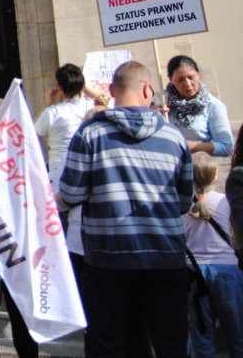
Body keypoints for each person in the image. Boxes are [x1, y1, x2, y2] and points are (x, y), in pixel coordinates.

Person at [59, 61, 193, 357]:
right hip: (165, 258)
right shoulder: (174, 138)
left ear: (112, 91)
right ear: (147, 89)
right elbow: (184, 202)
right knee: (171, 345)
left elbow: (69, 194)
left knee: (107, 344)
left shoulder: (89, 135)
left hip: (108, 260)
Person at [181, 152, 243, 358]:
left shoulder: (182, 206)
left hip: (194, 274)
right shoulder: (226, 202)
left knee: (203, 339)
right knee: (238, 336)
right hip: (226, 271)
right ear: (216, 176)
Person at [35, 64, 103, 194]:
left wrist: (46, 104)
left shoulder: (51, 112)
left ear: (60, 88)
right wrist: (86, 87)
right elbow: (109, 99)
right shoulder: (92, 106)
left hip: (58, 176)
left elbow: (30, 134)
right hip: (87, 174)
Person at [164, 55, 233, 157]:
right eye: (180, 80)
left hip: (198, 168)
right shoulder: (162, 103)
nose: (187, 84)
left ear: (198, 74)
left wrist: (188, 146)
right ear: (171, 80)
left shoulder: (213, 106)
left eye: (191, 77)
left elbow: (226, 146)